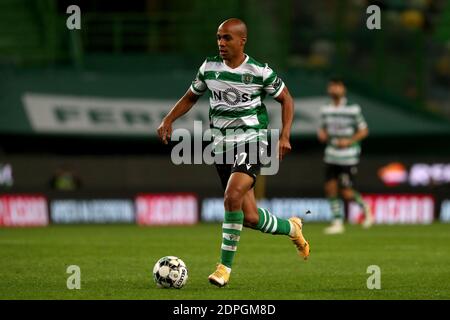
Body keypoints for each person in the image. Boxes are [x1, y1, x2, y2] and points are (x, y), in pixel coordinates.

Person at [157, 18, 310, 287]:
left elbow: (286, 98)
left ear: (242, 41)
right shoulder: (209, 67)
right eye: (218, 37)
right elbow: (191, 96)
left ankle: (223, 269)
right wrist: (169, 119)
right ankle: (293, 228)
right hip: (221, 145)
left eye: (227, 38)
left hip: (253, 140)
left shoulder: (259, 71)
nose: (221, 43)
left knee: (232, 195)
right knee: (249, 217)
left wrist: (285, 134)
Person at [317, 77, 374, 234]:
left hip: (348, 155)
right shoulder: (325, 109)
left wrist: (349, 141)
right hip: (331, 153)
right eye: (332, 86)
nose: (334, 89)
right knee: (330, 187)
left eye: (337, 86)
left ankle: (365, 208)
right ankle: (337, 222)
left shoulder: (352, 109)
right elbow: (322, 129)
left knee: (347, 192)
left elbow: (364, 130)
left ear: (343, 89)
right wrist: (322, 134)